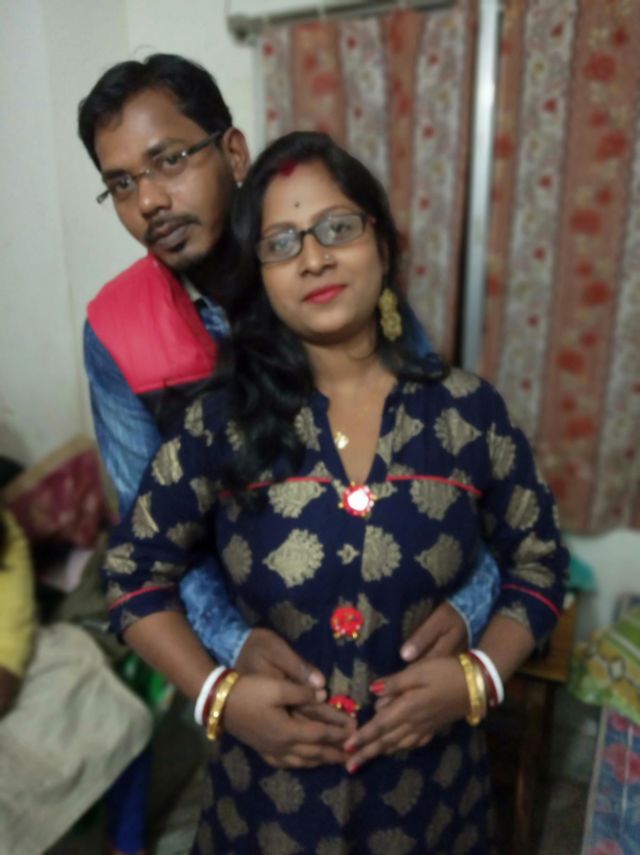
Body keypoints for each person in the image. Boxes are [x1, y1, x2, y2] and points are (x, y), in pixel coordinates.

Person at [101, 130, 569, 853]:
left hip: (431, 802)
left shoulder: (468, 412)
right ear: (260, 275)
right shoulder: (220, 421)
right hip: (268, 809)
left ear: (381, 241)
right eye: (282, 243)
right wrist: (219, 696)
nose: (314, 257)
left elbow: (540, 560)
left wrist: (481, 675)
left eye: (337, 228)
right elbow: (133, 574)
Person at [78, 54, 500, 726]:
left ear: (233, 153)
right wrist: (233, 653)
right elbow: (150, 538)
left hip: (401, 628)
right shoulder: (115, 330)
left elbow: (448, 460)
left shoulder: (329, 274)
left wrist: (467, 611)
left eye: (169, 160)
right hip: (261, 654)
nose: (150, 200)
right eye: (122, 183)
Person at [0, 505, 152, 855]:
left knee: (116, 718)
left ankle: (126, 845)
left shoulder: (4, 531)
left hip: (17, 658)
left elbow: (9, 641)